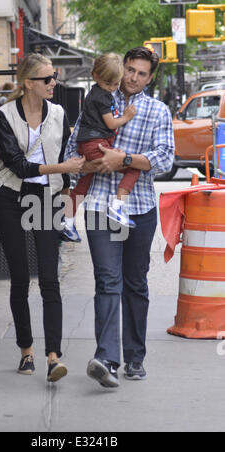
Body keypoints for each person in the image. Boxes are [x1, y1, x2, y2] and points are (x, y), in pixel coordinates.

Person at [65, 47, 175, 388]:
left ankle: (135, 358)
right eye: (130, 70)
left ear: (150, 77)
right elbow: (73, 150)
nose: (134, 77)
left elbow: (165, 159)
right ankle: (107, 360)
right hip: (100, 205)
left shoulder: (157, 111)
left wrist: (124, 159)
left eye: (142, 73)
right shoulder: (98, 101)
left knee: (135, 284)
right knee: (107, 281)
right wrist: (92, 164)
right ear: (122, 68)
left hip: (140, 206)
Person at [0, 53, 85, 382]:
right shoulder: (4, 116)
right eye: (47, 79)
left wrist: (68, 199)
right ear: (28, 83)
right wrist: (62, 169)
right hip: (11, 198)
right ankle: (26, 351)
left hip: (46, 198)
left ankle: (53, 357)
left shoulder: (58, 113)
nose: (53, 83)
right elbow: (17, 164)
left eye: (54, 76)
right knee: (20, 278)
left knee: (49, 279)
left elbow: (64, 157)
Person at [62, 53, 138, 243]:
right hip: (96, 144)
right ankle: (117, 206)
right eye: (108, 84)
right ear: (95, 75)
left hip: (88, 144)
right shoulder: (102, 97)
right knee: (134, 166)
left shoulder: (96, 93)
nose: (112, 88)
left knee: (82, 184)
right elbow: (111, 124)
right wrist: (127, 116)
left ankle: (67, 222)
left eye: (115, 84)